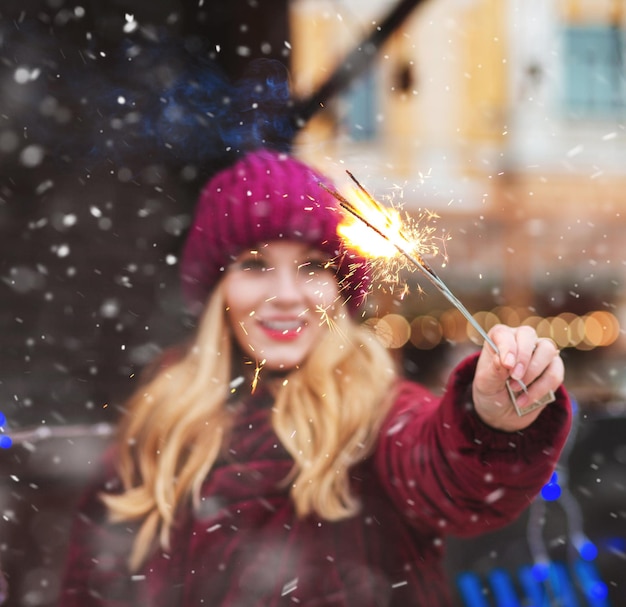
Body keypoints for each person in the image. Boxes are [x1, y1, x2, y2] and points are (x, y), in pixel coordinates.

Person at [58, 148, 571, 607]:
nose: (286, 294)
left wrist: (487, 422)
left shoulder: (379, 413)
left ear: (339, 289)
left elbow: (448, 474)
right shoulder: (158, 425)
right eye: (255, 265)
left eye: (312, 267)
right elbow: (90, 583)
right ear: (218, 291)